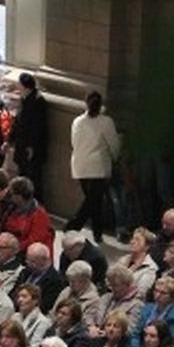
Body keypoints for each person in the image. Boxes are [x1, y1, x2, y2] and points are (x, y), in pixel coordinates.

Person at [67, 90, 121, 238]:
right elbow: (114, 144)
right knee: (92, 201)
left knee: (94, 201)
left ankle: (97, 232)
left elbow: (73, 143)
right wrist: (116, 157)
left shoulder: (77, 121)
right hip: (98, 167)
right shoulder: (106, 122)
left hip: (80, 165)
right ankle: (72, 227)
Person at [8, 72, 49, 199]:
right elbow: (17, 122)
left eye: (19, 85)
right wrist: (9, 140)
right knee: (22, 178)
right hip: (22, 146)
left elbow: (38, 127)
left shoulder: (38, 101)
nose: (18, 87)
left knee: (33, 180)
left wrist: (32, 146)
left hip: (31, 150)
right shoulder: (24, 99)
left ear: (25, 87)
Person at [0, 176, 54, 254]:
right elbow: (3, 228)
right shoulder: (11, 208)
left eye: (12, 194)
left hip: (31, 253)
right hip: (11, 248)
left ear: (19, 196)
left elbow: (34, 240)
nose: (9, 197)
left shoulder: (40, 214)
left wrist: (14, 249)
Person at [116, 227, 160, 301]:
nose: (132, 242)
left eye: (137, 240)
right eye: (132, 239)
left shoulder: (151, 268)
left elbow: (140, 293)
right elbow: (108, 281)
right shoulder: (124, 259)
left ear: (147, 247)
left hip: (131, 303)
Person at [13, 283, 52, 347]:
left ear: (35, 300)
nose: (20, 300)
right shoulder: (15, 317)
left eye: (24, 296)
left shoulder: (42, 322)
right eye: (18, 297)